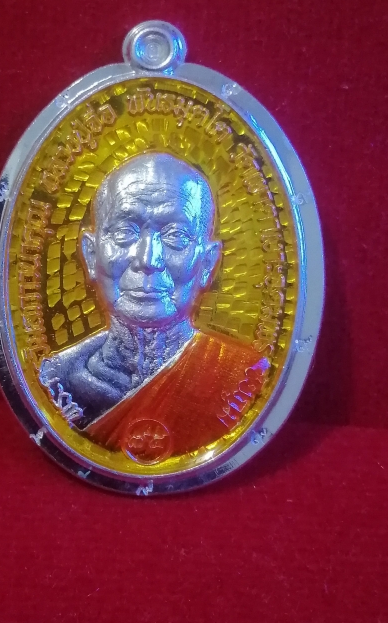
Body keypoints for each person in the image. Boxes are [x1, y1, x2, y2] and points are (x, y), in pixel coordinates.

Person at [39, 152, 267, 464]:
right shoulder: (58, 378)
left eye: (176, 236)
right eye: (124, 232)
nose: (148, 259)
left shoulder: (240, 375)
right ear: (91, 255)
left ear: (207, 262)